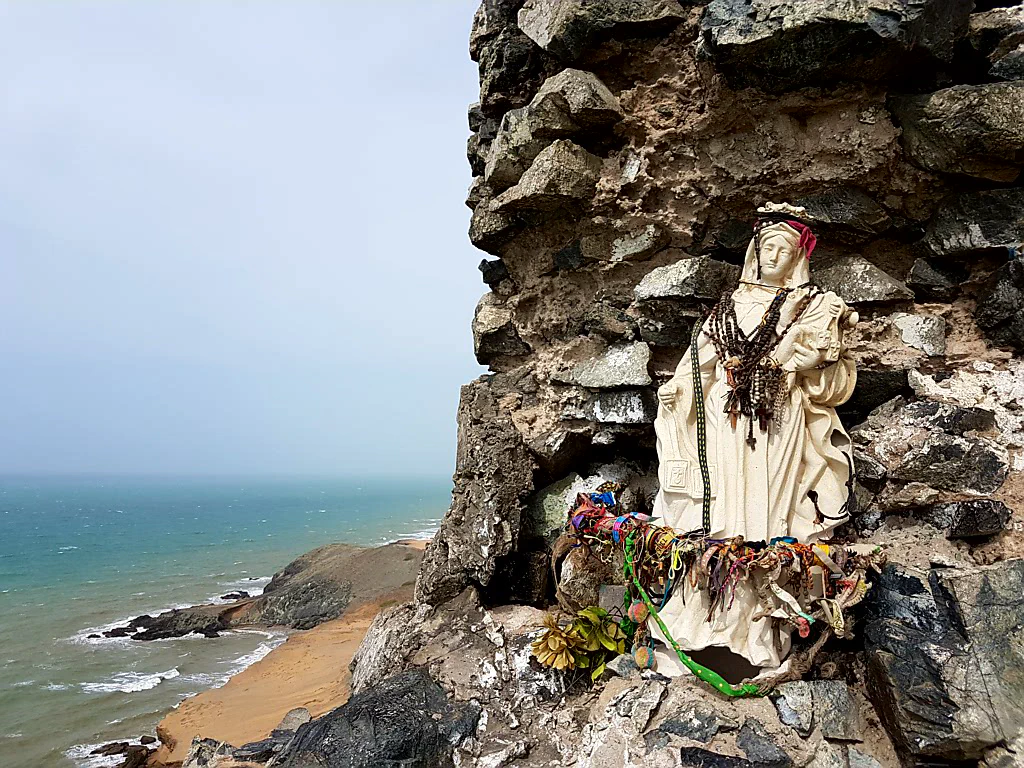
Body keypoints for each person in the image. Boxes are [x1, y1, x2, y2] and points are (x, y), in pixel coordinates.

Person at [651, 202, 857, 672]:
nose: (772, 257)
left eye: (783, 249)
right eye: (766, 247)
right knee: (720, 513)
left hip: (777, 419)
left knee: (767, 514)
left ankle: (758, 631)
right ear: (754, 251)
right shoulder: (729, 306)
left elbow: (828, 376)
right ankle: (702, 621)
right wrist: (679, 389)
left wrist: (809, 358)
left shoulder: (812, 306)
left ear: (798, 257)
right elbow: (699, 362)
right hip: (724, 420)